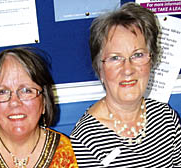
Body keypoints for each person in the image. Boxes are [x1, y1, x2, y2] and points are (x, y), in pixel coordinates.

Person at [70, 2, 181, 167]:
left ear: (151, 61)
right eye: (115, 58)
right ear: (100, 69)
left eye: (137, 55)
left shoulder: (166, 119)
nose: (127, 69)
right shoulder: (85, 139)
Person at [0, 47, 78, 167]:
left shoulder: (65, 155)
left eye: (26, 91)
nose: (14, 102)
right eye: (2, 92)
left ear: (44, 102)